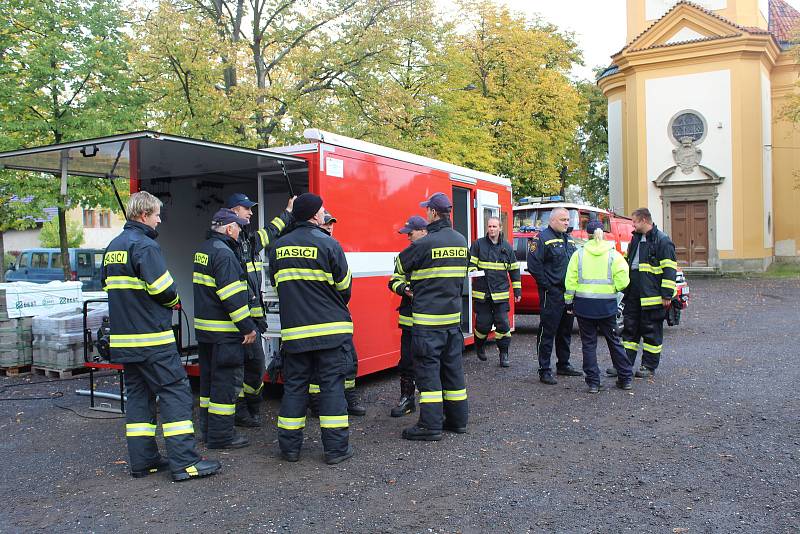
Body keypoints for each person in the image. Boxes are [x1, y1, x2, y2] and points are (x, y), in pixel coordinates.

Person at [102, 191, 220, 482]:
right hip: (152, 339)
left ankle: (145, 462)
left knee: (139, 398)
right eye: (156, 215)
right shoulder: (145, 247)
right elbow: (164, 290)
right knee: (175, 393)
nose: (158, 220)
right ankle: (185, 464)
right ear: (143, 215)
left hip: (124, 341)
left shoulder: (113, 247)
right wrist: (173, 301)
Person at [268, 193, 354, 464]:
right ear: (316, 216)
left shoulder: (278, 247)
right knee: (331, 388)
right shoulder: (329, 244)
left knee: (294, 388)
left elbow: (276, 284)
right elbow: (344, 288)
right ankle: (336, 450)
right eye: (323, 211)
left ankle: (289, 449)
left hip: (295, 333)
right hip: (330, 331)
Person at [391, 192, 469, 441]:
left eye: (427, 210)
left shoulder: (423, 245)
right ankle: (457, 421)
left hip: (427, 324)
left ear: (434, 213)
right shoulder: (460, 241)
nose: (426, 213)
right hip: (453, 323)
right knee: (453, 372)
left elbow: (400, 267)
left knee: (428, 374)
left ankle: (430, 426)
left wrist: (408, 286)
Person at [225, 193, 294, 427]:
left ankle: (250, 408)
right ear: (234, 211)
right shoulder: (229, 245)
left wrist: (288, 212)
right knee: (246, 366)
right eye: (247, 209)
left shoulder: (246, 240)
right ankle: (243, 410)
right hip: (240, 322)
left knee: (254, 364)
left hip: (251, 319)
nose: (251, 212)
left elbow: (270, 232)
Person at [193, 208, 259, 450]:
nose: (241, 230)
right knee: (225, 385)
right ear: (229, 228)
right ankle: (222, 437)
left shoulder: (204, 250)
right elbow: (232, 297)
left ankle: (209, 431)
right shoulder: (225, 254)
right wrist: (247, 327)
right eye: (239, 227)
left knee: (209, 385)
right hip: (225, 334)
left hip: (206, 333)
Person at [307, 211, 366, 417]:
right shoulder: (321, 248)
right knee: (318, 365)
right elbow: (342, 287)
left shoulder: (333, 246)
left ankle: (350, 399)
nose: (330, 227)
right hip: (321, 318)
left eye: (332, 224)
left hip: (338, 316)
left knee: (349, 360)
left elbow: (345, 286)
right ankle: (317, 403)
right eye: (326, 223)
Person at [564, 220, 633, 393]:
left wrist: (568, 302)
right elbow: (624, 279)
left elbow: (570, 281)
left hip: (584, 306)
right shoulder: (613, 255)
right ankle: (625, 378)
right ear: (603, 233)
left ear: (586, 235)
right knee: (614, 341)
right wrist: (614, 290)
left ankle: (594, 383)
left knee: (588, 344)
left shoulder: (578, 254)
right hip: (607, 306)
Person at [610, 207, 677, 379]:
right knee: (629, 332)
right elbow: (627, 263)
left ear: (644, 220)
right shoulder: (635, 239)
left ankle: (648, 366)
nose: (632, 225)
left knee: (651, 332)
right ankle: (624, 366)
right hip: (633, 294)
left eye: (634, 221)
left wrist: (667, 295)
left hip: (653, 297)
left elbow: (669, 270)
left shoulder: (663, 241)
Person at [527, 207, 583, 385]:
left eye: (568, 220)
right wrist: (548, 287)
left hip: (568, 294)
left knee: (565, 331)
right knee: (548, 331)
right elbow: (534, 266)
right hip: (552, 293)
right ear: (552, 221)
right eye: (563, 220)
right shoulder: (542, 239)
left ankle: (563, 364)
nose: (567, 223)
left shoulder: (569, 239)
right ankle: (544, 369)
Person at [387, 215, 428, 417]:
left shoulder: (432, 253)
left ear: (423, 231)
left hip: (431, 321)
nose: (408, 238)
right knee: (407, 362)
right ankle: (407, 399)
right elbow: (393, 280)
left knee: (431, 362)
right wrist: (404, 288)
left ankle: (434, 405)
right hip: (410, 319)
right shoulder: (405, 255)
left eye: (410, 234)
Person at [468, 216, 521, 367]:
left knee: (503, 325)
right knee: (483, 325)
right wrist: (473, 271)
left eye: (494, 226)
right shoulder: (478, 244)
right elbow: (470, 264)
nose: (491, 229)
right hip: (482, 294)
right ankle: (479, 345)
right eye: (489, 226)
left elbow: (514, 269)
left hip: (501, 294)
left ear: (500, 228)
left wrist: (517, 290)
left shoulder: (507, 247)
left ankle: (504, 354)